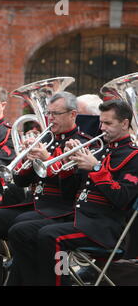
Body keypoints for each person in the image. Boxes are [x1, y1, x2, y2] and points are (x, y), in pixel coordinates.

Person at [16, 99, 138, 285]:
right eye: (101, 122)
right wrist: (66, 165)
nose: (102, 128)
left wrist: (96, 169)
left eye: (108, 123)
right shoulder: (98, 151)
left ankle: (58, 281)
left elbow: (122, 198)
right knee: (21, 231)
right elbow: (69, 190)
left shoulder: (133, 156)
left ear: (125, 123)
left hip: (105, 227)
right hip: (80, 218)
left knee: (50, 236)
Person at [5, 91, 98, 285]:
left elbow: (71, 190)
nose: (49, 118)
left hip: (64, 210)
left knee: (27, 230)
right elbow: (21, 182)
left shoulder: (81, 143)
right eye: (49, 113)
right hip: (41, 206)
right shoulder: (47, 139)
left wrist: (47, 160)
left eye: (55, 113)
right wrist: (28, 160)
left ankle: (46, 278)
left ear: (73, 115)